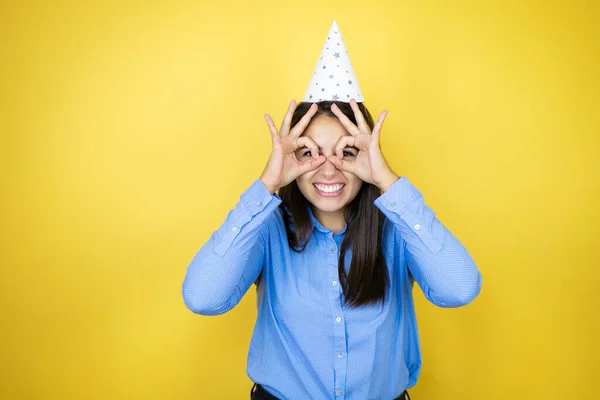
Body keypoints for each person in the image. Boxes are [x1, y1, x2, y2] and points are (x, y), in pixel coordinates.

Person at [182, 21, 482, 400]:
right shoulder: (268, 230)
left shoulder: (399, 231)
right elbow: (203, 297)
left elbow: (459, 288)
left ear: (367, 158)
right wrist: (265, 185)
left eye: (347, 152)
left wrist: (388, 181)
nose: (327, 168)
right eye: (309, 153)